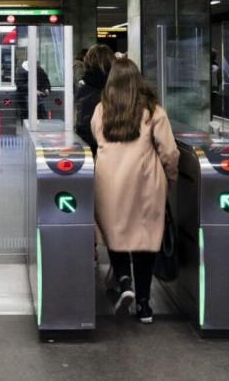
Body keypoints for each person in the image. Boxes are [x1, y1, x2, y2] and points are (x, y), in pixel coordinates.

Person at [91, 58, 179, 323]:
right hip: (145, 183)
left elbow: (97, 137)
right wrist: (171, 180)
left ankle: (124, 281)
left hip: (108, 183)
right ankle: (143, 304)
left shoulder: (101, 110)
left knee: (116, 234)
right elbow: (170, 153)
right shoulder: (153, 111)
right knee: (144, 242)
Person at [75, 44, 115, 157]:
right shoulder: (116, 87)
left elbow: (81, 122)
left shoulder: (83, 88)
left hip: (88, 146)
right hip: (112, 146)